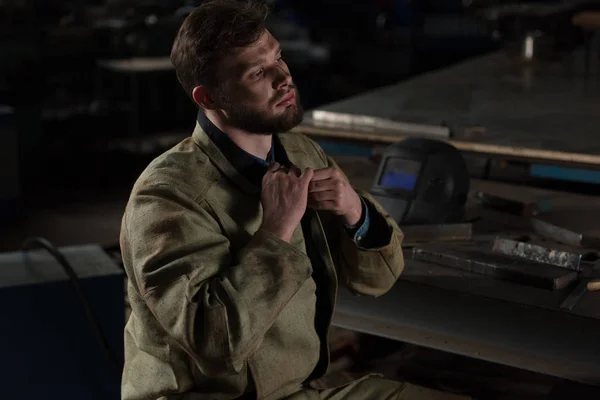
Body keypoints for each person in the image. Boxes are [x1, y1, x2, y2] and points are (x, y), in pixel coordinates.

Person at [119, 1, 469, 399]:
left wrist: (356, 212)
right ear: (209, 98)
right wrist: (275, 230)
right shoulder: (166, 196)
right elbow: (214, 346)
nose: (284, 77)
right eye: (257, 72)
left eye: (278, 57)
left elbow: (376, 281)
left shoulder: (300, 154)